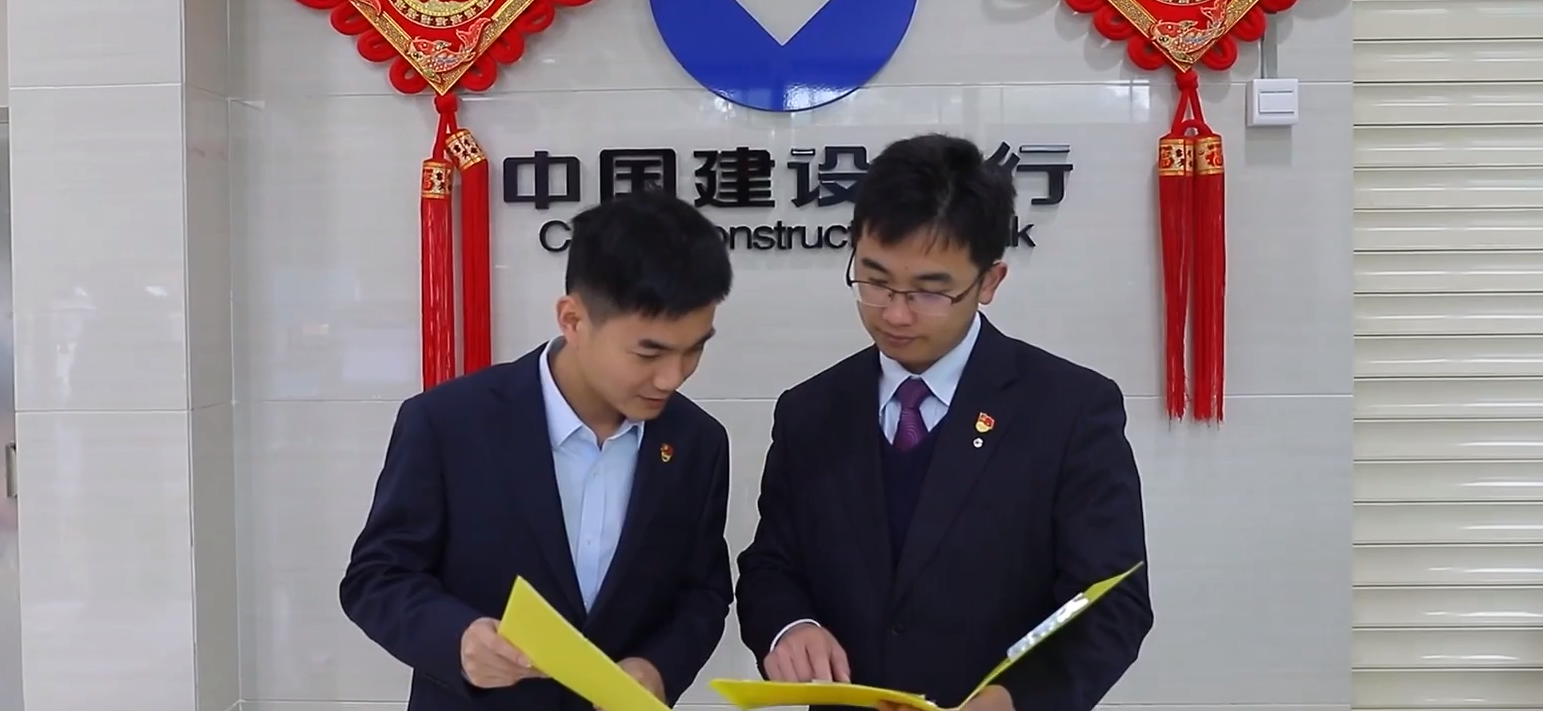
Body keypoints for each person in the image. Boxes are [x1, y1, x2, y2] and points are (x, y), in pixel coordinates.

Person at [735, 133, 1153, 711]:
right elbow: (771, 567)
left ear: (989, 282)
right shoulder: (810, 411)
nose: (895, 313)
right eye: (875, 280)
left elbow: (1109, 604)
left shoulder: (1069, 410)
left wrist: (1016, 699)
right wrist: (790, 626)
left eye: (929, 292)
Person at [341, 189, 735, 711]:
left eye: (694, 349)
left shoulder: (697, 442)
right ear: (573, 320)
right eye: (649, 353)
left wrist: (657, 667)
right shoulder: (448, 423)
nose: (673, 377)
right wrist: (458, 640)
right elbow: (376, 577)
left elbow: (703, 592)